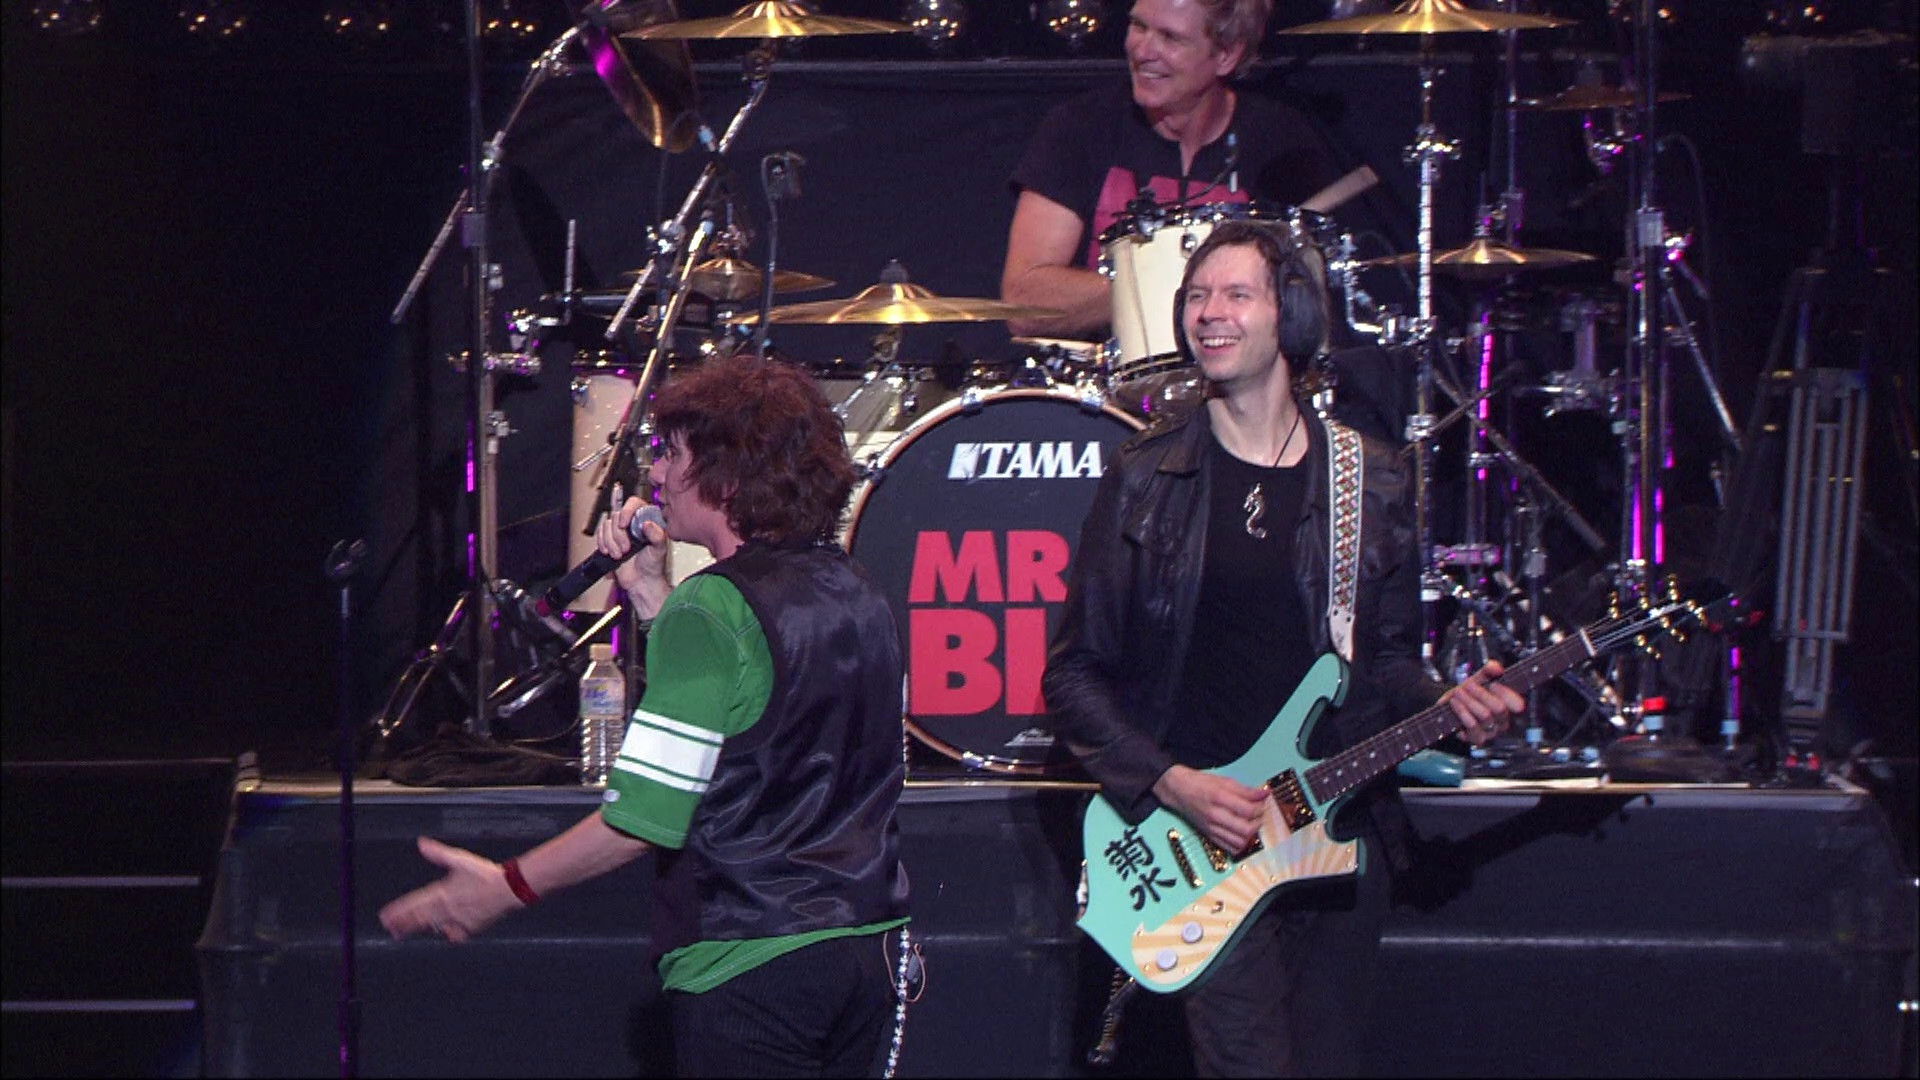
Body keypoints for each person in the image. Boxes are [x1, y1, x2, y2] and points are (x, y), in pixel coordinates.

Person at [1042, 220, 1524, 1077]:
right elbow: (1074, 674)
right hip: (1206, 842)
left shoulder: (1370, 477)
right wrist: (1171, 781)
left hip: (1334, 830)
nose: (1209, 313)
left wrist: (1450, 707)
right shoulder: (1145, 478)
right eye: (1197, 296)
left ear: (1290, 316)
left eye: (1236, 294)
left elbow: (1382, 663)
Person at [379, 354, 913, 1078]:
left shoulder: (714, 606)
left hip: (750, 962)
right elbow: (760, 719)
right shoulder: (858, 589)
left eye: (673, 455)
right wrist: (652, 595)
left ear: (726, 479)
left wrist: (504, 888)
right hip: (870, 951)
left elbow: (645, 817)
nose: (656, 475)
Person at [1001, 0, 1343, 340]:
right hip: (1105, 369)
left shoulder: (1280, 142)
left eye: (1170, 37)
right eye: (1139, 26)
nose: (1143, 50)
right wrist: (1174, 283)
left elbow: (1308, 308)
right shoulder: (1081, 126)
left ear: (1226, 55)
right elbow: (1025, 303)